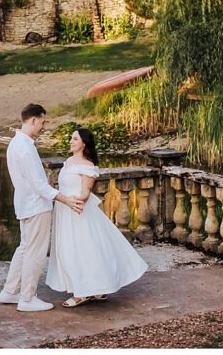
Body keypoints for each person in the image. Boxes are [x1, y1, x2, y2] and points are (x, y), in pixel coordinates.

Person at [46, 127, 148, 307]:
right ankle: (96, 288)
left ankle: (82, 292)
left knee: (80, 251)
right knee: (69, 250)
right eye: (71, 138)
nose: (71, 141)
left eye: (75, 139)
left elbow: (85, 191)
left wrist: (76, 201)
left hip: (77, 211)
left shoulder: (88, 166)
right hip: (64, 211)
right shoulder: (68, 161)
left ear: (84, 144)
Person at [0, 103, 85, 312]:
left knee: (25, 248)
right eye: (43, 122)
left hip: (24, 203)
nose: (44, 126)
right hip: (36, 206)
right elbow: (40, 185)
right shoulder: (26, 148)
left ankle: (10, 292)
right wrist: (65, 200)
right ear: (33, 120)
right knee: (35, 253)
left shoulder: (15, 144)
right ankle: (27, 298)